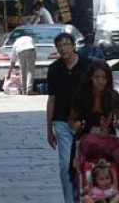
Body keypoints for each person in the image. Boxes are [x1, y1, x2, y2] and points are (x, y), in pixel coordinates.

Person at [47, 32, 92, 203]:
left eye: (66, 44)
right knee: (65, 165)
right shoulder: (54, 69)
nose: (63, 48)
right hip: (62, 122)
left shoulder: (88, 66)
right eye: (60, 45)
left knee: (87, 164)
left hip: (85, 123)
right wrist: (48, 129)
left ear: (73, 46)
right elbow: (51, 99)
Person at [70, 61, 119, 136]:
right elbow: (71, 119)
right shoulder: (80, 95)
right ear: (90, 78)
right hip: (86, 141)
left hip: (109, 140)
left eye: (104, 78)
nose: (100, 81)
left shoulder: (114, 96)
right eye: (97, 77)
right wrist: (75, 125)